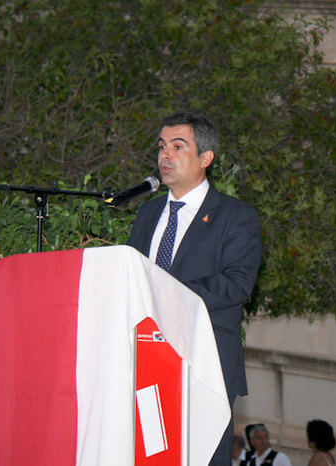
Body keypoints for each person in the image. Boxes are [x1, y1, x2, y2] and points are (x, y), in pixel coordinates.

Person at [127, 112, 262, 465]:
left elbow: (236, 284)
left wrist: (164, 292)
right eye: (161, 147)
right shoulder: (147, 214)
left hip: (205, 366)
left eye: (177, 146)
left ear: (206, 158)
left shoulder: (237, 216)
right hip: (146, 362)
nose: (164, 156)